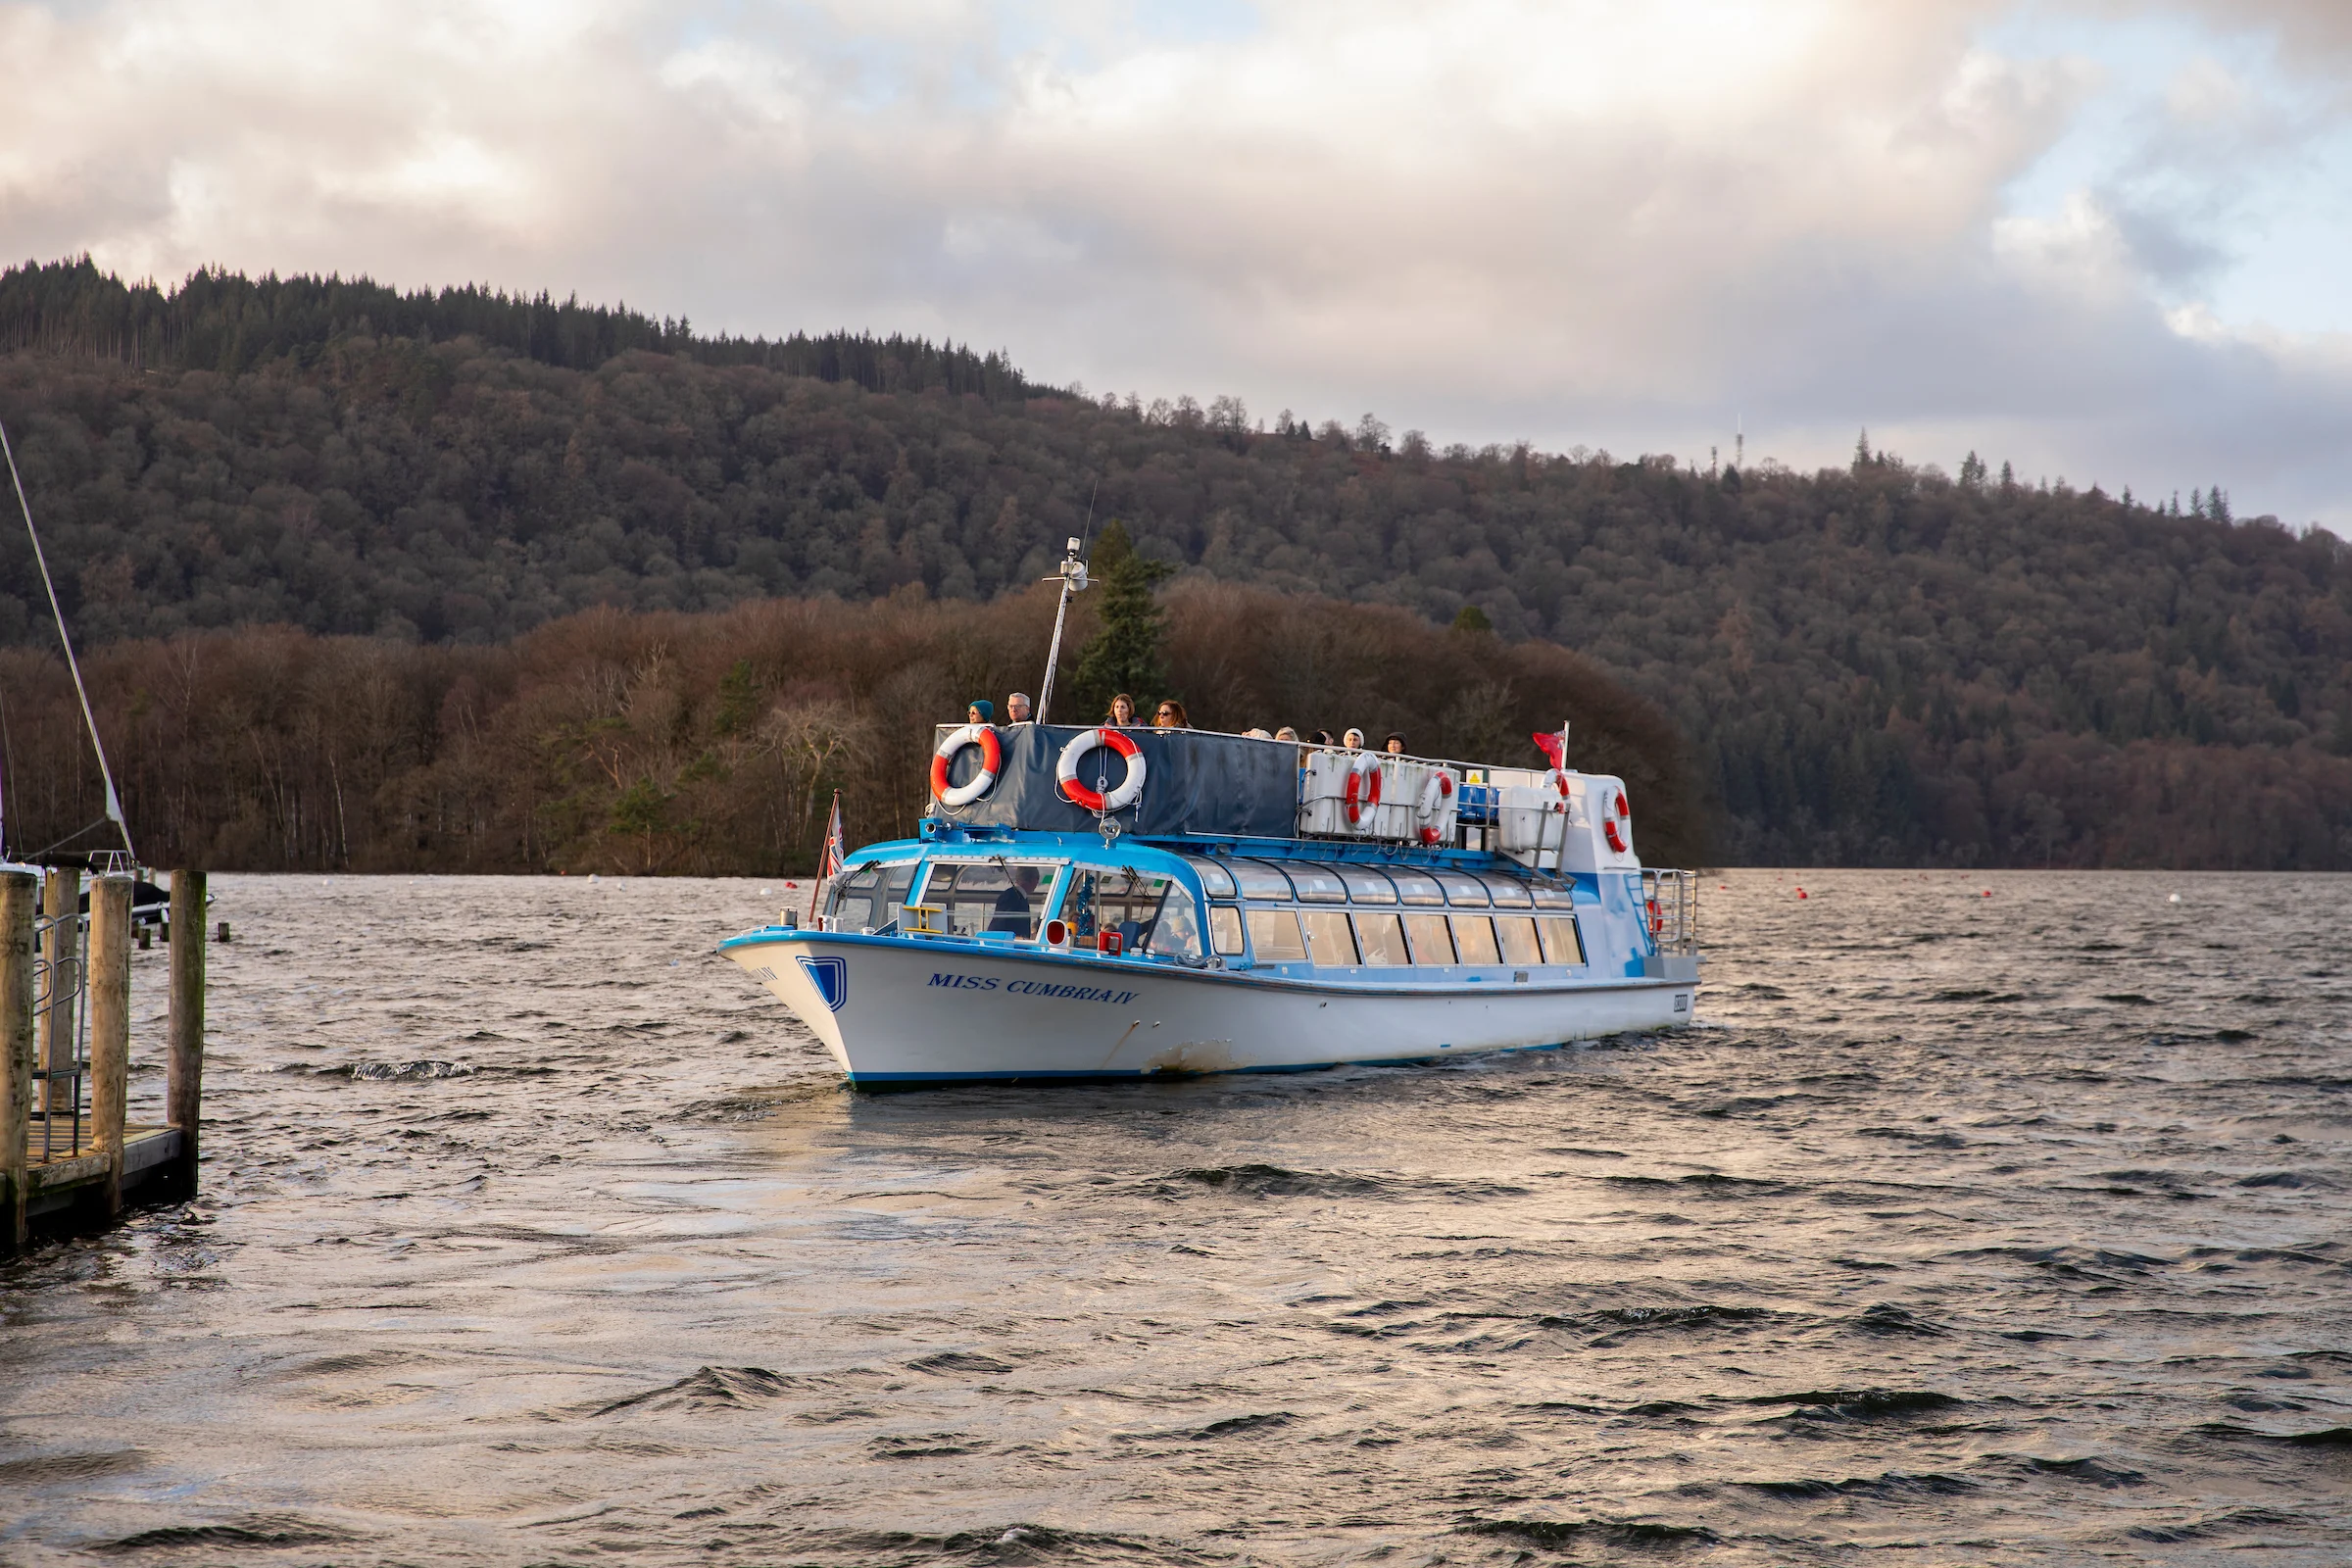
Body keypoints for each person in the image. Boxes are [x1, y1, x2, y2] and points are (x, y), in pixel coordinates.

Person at [989, 865, 1041, 936]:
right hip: (1008, 944)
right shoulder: (1011, 897)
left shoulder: (1016, 896)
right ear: (1034, 880)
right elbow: (998, 925)